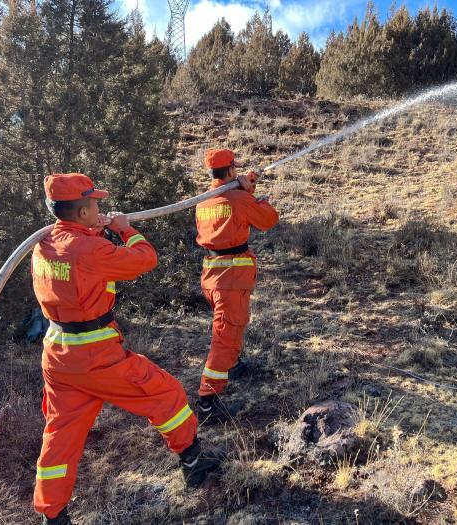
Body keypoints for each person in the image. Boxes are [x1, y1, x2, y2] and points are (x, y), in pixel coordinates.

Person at [32, 173, 222, 525]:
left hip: (58, 356)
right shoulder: (88, 249)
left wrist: (98, 231)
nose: (100, 207)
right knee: (165, 393)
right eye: (96, 204)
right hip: (96, 356)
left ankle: (52, 516)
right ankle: (194, 463)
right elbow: (144, 258)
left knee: (60, 438)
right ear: (84, 211)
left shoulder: (45, 244)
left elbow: (79, 268)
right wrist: (124, 229)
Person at [194, 149, 279, 424]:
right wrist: (253, 196)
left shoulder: (203, 201)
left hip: (212, 276)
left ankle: (233, 365)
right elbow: (268, 220)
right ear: (231, 170)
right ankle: (207, 402)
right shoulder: (239, 198)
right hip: (230, 279)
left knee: (229, 328)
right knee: (224, 338)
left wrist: (246, 191)